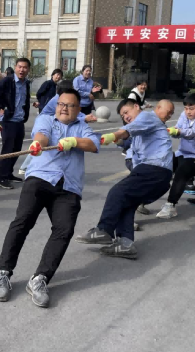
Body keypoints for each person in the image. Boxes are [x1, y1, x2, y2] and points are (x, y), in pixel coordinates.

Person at [0, 89, 100, 308]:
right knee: (22, 222)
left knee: (64, 230)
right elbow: (41, 135)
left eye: (69, 105)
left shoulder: (82, 126)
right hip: (40, 178)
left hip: (68, 186)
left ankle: (40, 278)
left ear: (78, 109)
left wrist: (74, 141)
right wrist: (37, 144)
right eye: (61, 104)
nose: (63, 108)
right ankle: (3, 273)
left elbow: (93, 144)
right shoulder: (46, 119)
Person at [75, 99, 176, 259]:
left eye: (126, 112)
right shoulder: (142, 130)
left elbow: (127, 130)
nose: (125, 117)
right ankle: (125, 243)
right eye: (123, 116)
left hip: (154, 169)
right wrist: (112, 139)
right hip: (159, 175)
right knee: (127, 202)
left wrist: (113, 135)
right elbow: (128, 140)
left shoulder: (147, 116)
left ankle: (104, 230)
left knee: (117, 192)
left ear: (136, 106)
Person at [156, 94, 195, 219]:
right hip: (183, 152)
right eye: (186, 108)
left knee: (183, 171)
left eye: (191, 108)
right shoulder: (184, 115)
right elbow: (178, 129)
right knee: (162, 166)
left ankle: (170, 205)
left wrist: (179, 131)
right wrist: (172, 131)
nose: (188, 111)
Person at [18, 80, 95, 175]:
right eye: (72, 88)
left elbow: (74, 113)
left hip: (56, 122)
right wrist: (85, 118)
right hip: (47, 123)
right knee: (39, 145)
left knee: (43, 146)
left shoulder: (61, 99)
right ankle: (25, 167)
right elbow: (69, 114)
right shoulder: (59, 100)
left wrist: (84, 116)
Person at [0, 58, 31, 189]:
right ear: (15, 67)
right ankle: (2, 178)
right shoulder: (8, 80)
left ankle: (9, 174)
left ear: (28, 69)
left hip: (20, 120)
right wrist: (2, 106)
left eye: (25, 67)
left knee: (16, 149)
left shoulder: (26, 83)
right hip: (8, 121)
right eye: (20, 67)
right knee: (7, 150)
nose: (22, 70)